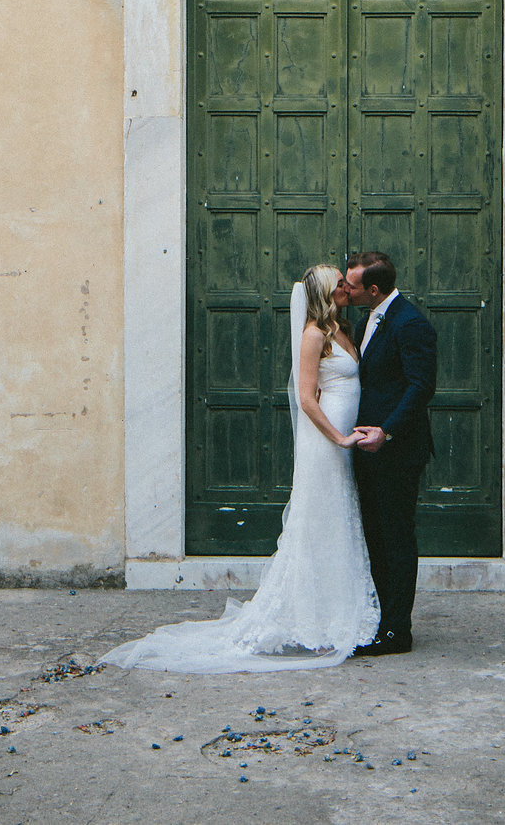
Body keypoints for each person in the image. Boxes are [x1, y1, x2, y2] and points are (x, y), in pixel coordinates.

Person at [100, 265, 379, 672]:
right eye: (338, 283)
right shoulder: (313, 335)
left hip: (344, 439)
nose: (344, 288)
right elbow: (305, 398)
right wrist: (336, 438)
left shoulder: (342, 329)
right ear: (322, 292)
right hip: (326, 443)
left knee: (336, 521)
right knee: (318, 521)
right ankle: (312, 622)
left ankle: (333, 615)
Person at [340, 251, 437, 656]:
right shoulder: (367, 320)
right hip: (367, 449)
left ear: (373, 290)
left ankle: (398, 631)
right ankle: (381, 619)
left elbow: (421, 387)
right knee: (376, 539)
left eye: (352, 285)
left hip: (397, 451)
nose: (346, 289)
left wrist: (388, 431)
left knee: (396, 538)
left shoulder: (410, 323)